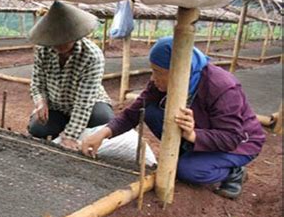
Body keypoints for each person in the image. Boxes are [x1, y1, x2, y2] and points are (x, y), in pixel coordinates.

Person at [82, 37, 266, 199]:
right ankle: (189, 154)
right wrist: (103, 133)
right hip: (199, 133)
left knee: (187, 170)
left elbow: (231, 138)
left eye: (158, 72)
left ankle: (234, 172)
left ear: (179, 70)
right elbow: (134, 111)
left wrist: (194, 135)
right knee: (152, 111)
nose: (153, 79)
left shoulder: (221, 86)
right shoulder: (158, 83)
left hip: (239, 144)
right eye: (152, 71)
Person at [27, 1, 114, 150]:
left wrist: (70, 136)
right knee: (37, 129)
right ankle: (66, 124)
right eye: (54, 39)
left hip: (89, 104)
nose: (58, 44)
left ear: (75, 35)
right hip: (56, 105)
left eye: (64, 39)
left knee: (103, 119)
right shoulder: (43, 51)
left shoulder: (92, 56)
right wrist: (40, 101)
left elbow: (84, 102)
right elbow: (37, 84)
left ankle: (75, 130)